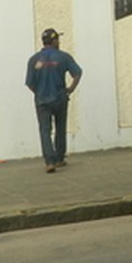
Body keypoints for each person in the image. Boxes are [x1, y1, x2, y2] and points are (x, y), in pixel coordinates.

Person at [25, 28, 83, 173]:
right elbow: (77, 73)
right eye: (58, 39)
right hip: (60, 98)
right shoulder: (63, 57)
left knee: (45, 130)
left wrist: (39, 93)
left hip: (42, 100)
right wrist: (70, 89)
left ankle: (49, 162)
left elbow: (30, 83)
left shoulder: (33, 60)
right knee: (60, 127)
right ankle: (59, 158)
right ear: (54, 41)